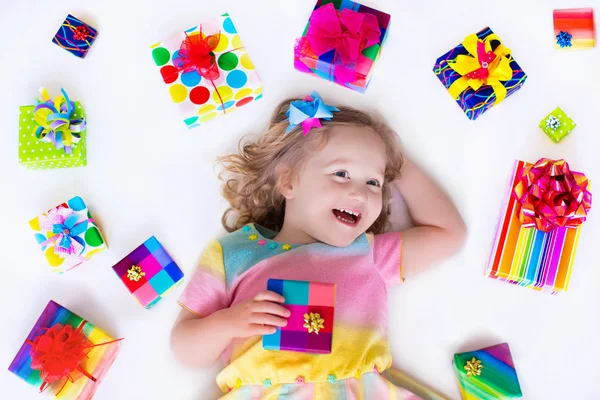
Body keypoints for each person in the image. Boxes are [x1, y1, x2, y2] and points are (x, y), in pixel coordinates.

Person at [171, 92, 466, 399]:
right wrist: (228, 323)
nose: (360, 194)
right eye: (341, 174)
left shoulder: (368, 254)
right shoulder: (233, 254)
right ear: (289, 182)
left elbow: (448, 233)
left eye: (374, 182)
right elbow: (186, 350)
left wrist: (395, 161)